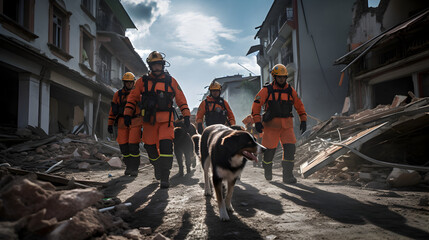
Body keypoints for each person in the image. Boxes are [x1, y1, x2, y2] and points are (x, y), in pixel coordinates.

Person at [124, 51, 191, 188]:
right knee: (150, 147)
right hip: (149, 121)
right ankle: (157, 166)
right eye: (154, 65)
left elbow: (180, 98)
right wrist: (127, 113)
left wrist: (186, 115)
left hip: (166, 121)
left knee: (166, 147)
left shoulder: (171, 81)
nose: (157, 68)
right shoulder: (142, 81)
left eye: (159, 65)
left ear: (162, 65)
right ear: (150, 66)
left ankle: (165, 177)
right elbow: (132, 98)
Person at [251, 64, 307, 184]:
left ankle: (287, 176)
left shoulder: (290, 90)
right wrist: (257, 121)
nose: (282, 79)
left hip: (287, 126)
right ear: (274, 77)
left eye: (283, 77)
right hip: (271, 126)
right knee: (269, 151)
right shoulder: (267, 90)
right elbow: (256, 104)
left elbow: (299, 105)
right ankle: (267, 168)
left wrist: (303, 119)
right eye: (279, 77)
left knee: (290, 149)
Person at [107, 72, 142, 176]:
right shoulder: (118, 95)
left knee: (133, 146)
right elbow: (113, 111)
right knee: (123, 147)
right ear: (124, 83)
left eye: (131, 83)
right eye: (127, 83)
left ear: (133, 83)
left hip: (135, 122)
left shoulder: (138, 95)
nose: (129, 84)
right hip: (122, 123)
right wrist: (110, 124)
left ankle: (134, 168)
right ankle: (129, 167)